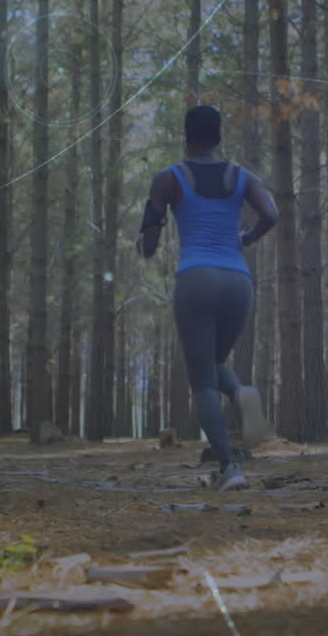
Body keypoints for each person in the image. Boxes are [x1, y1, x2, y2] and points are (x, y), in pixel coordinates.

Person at [136, 104, 279, 492]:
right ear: (219, 137)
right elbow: (271, 214)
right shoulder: (242, 176)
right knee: (214, 361)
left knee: (202, 380)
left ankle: (229, 467)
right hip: (238, 281)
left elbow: (148, 245)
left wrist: (151, 229)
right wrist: (246, 239)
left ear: (187, 136)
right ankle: (239, 392)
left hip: (196, 278)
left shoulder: (168, 178)